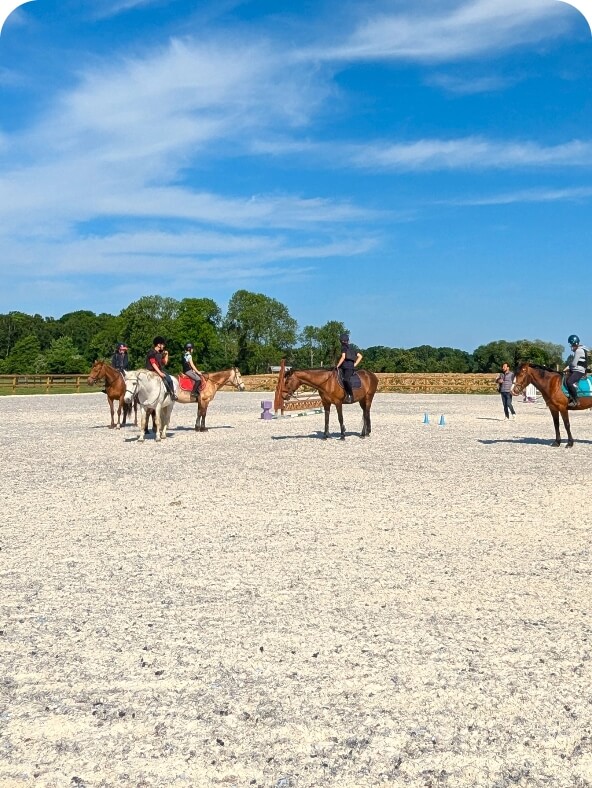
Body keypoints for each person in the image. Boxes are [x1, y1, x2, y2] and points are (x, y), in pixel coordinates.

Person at [145, 336, 177, 401]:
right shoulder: (151, 352)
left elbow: (164, 363)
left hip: (159, 370)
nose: (163, 346)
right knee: (168, 379)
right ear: (158, 344)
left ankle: (171, 394)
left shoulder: (159, 353)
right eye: (162, 344)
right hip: (151, 370)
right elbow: (153, 363)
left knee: (170, 380)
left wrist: (166, 355)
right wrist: (160, 373)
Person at [336, 333, 363, 404]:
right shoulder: (352, 348)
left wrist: (337, 366)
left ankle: (350, 395)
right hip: (348, 367)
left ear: (341, 341)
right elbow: (360, 356)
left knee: (345, 379)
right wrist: (354, 364)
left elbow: (343, 357)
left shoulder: (343, 347)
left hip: (346, 368)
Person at [564, 334, 588, 408]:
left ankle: (576, 400)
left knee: (569, 382)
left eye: (571, 345)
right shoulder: (581, 349)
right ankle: (570, 397)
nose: (571, 347)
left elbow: (574, 364)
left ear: (574, 343)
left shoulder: (578, 351)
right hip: (577, 370)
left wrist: (567, 368)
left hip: (579, 371)